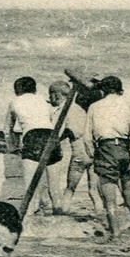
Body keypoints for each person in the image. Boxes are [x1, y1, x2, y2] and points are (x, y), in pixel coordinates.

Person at [82, 75, 130, 239]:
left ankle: (116, 234)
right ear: (120, 90)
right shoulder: (127, 105)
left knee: (110, 202)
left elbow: (87, 137)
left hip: (104, 149)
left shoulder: (94, 107)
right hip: (124, 150)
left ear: (103, 90)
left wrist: (93, 154)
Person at [4, 77, 59, 213]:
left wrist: (12, 148)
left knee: (30, 187)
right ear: (34, 89)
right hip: (51, 136)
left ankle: (29, 221)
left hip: (33, 137)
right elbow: (52, 119)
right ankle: (60, 216)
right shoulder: (43, 101)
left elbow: (7, 130)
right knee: (54, 186)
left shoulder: (14, 102)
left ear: (17, 90)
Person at [48, 79, 98, 214]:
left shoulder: (62, 111)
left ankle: (62, 214)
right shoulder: (79, 108)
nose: (49, 98)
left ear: (56, 95)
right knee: (94, 190)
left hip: (80, 154)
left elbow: (57, 134)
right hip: (94, 152)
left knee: (70, 188)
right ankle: (101, 214)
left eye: (50, 95)